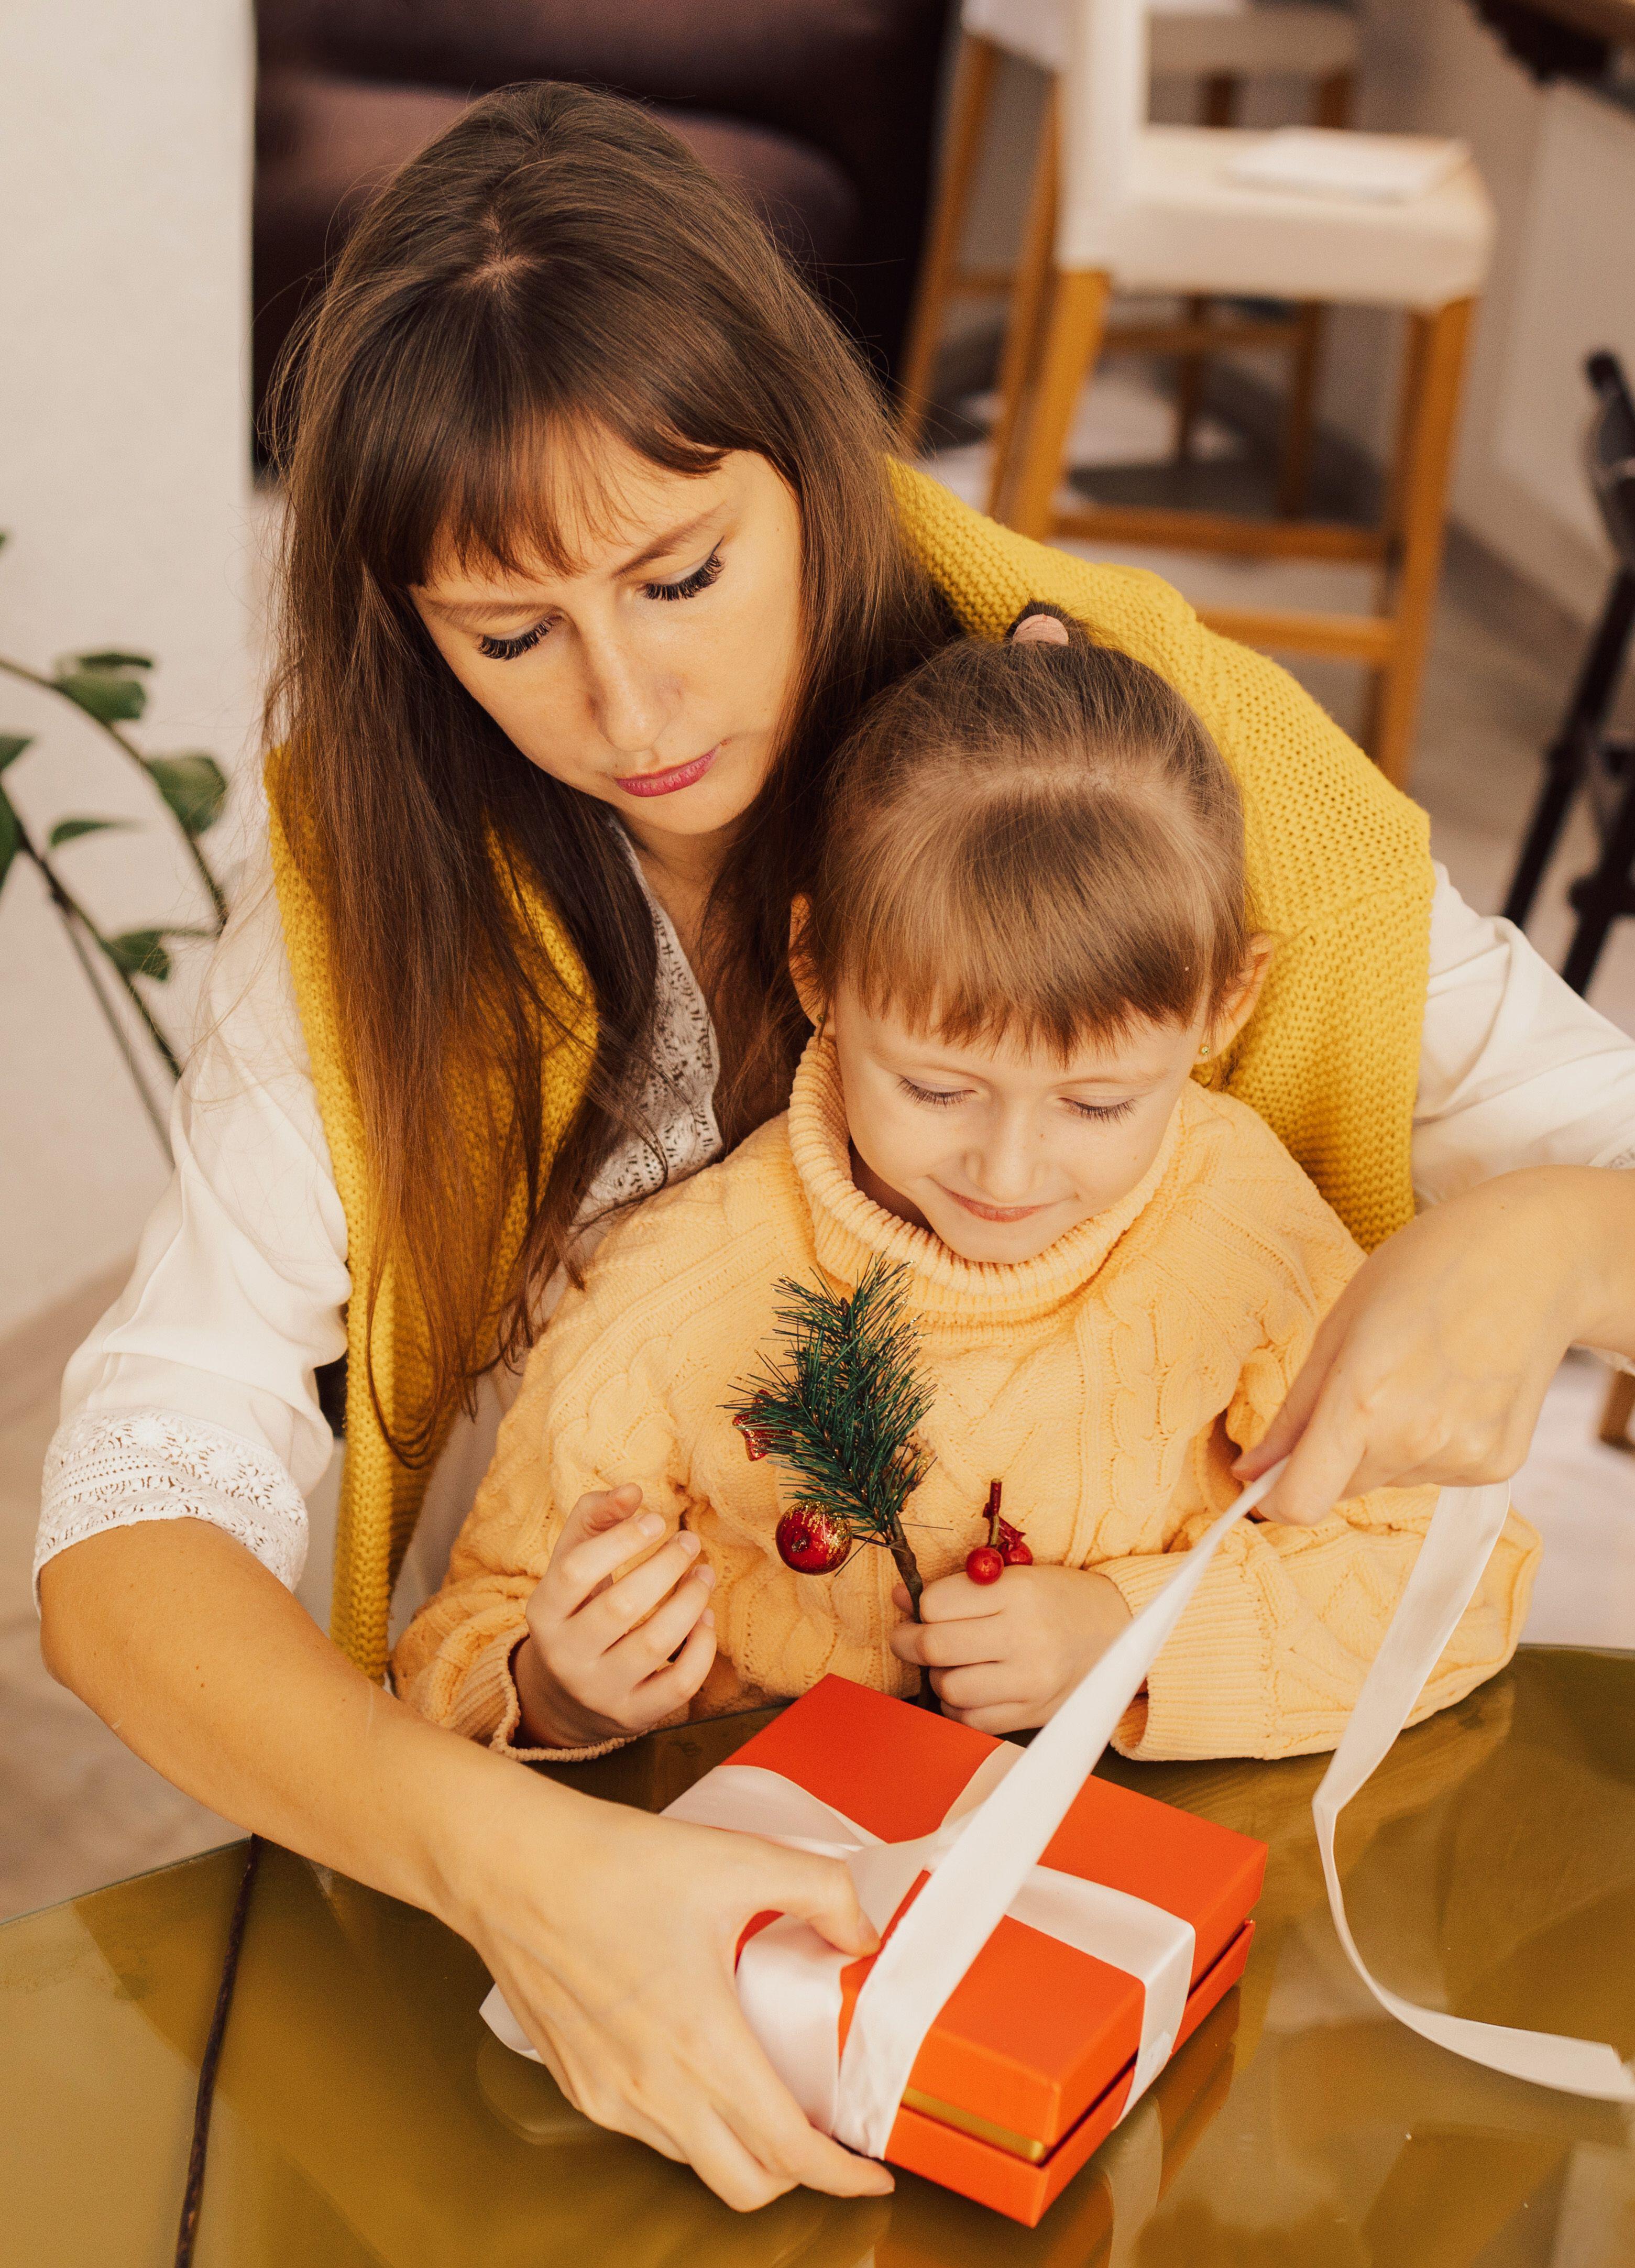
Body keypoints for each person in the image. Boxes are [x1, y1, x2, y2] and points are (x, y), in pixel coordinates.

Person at [33, 82, 1635, 2210]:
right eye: (510, 631)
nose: (628, 699)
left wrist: (1554, 1241)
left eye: (684, 570)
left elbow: (1594, 1159)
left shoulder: (1145, 765)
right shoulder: (370, 892)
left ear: (820, 468)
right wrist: (516, 1843)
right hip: (614, 1835)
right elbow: (138, 1514)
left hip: (1160, 1829)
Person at [397, 612, 1539, 1762]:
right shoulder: (680, 1284)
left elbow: (1457, 1574)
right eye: (937, 1090)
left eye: (1096, 1104)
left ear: (1221, 1007)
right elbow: (455, 1641)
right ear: (817, 973)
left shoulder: (1242, 1226)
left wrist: (1130, 1636)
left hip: (1149, 1875)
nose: (1006, 1172)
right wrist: (556, 1690)